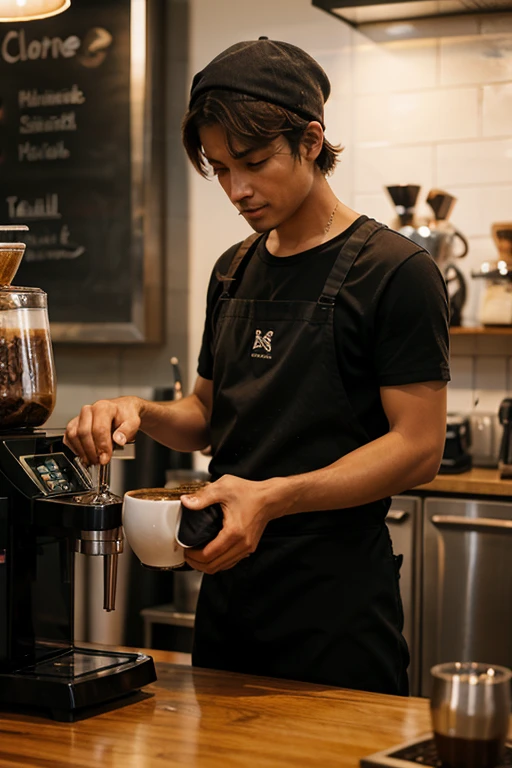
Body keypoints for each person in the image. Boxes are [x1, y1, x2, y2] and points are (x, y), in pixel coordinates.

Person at [65, 38, 450, 696]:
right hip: (228, 596)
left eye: (253, 161)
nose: (237, 189)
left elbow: (418, 450)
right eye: (219, 168)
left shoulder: (395, 271)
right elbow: (207, 418)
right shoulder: (234, 269)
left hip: (337, 607)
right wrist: (142, 410)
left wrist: (271, 498)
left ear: (310, 139)